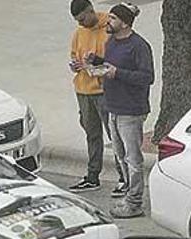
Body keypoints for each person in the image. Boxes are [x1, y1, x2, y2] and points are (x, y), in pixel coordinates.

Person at [86, 2, 154, 218]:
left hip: (130, 111)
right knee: (120, 155)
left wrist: (118, 73)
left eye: (113, 18)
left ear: (125, 23)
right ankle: (128, 193)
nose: (108, 21)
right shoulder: (112, 42)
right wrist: (96, 62)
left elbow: (147, 77)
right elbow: (110, 64)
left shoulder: (139, 46)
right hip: (112, 107)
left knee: (133, 159)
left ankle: (135, 202)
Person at [67, 0, 126, 195]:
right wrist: (75, 65)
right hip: (83, 90)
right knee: (92, 134)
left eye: (83, 18)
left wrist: (97, 64)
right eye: (77, 20)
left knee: (114, 135)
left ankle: (123, 177)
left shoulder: (108, 28)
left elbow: (115, 59)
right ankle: (92, 176)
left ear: (91, 11)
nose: (81, 23)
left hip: (104, 91)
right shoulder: (78, 33)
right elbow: (74, 55)